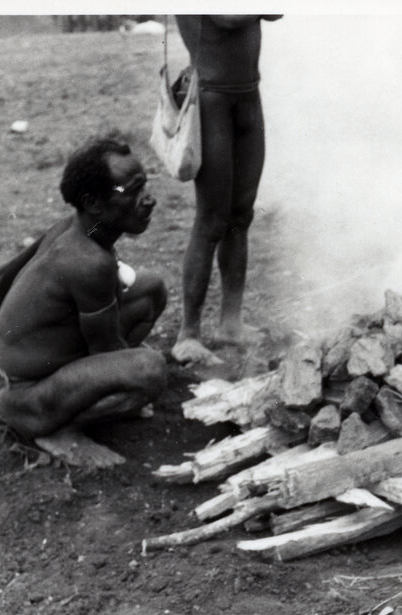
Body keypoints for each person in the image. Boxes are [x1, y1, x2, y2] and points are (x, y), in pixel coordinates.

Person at [0, 133, 168, 467]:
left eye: (144, 186)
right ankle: (52, 427)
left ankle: (62, 403)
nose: (148, 200)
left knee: (151, 290)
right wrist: (134, 375)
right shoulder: (89, 262)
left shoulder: (80, 230)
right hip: (32, 390)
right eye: (132, 191)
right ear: (94, 203)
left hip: (41, 363)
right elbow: (106, 349)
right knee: (150, 371)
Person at [170, 14, 283, 365]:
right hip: (211, 97)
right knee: (212, 220)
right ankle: (188, 334)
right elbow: (229, 17)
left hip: (247, 94)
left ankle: (230, 323)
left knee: (241, 215)